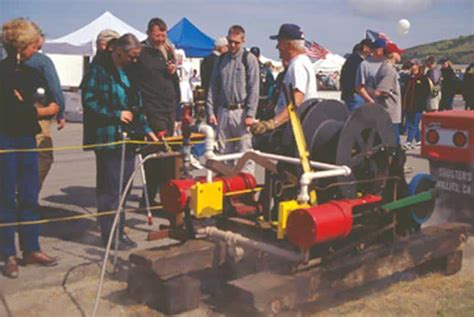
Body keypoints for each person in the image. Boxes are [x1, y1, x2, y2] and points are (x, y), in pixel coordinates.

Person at [82, 33, 158, 250]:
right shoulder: (98, 70)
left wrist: (146, 128)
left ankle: (119, 230)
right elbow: (89, 101)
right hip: (109, 137)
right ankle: (109, 234)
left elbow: (137, 105)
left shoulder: (131, 72)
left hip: (128, 139)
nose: (134, 60)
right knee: (110, 190)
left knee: (124, 188)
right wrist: (115, 113)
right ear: (119, 51)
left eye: (136, 57)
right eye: (131, 56)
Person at [0, 18, 60, 278]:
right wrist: (36, 109)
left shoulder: (32, 71)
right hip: (5, 138)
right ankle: (7, 254)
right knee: (5, 197)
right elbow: (11, 109)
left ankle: (31, 248)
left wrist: (31, 107)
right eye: (32, 45)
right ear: (19, 45)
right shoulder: (2, 73)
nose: (36, 49)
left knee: (29, 193)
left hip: (27, 137)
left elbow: (48, 98)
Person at [129, 17, 180, 206]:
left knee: (169, 155)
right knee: (155, 154)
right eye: (157, 35)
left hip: (168, 108)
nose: (161, 38)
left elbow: (174, 83)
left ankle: (164, 195)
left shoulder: (168, 50)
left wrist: (173, 70)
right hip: (152, 108)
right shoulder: (141, 52)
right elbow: (134, 80)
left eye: (164, 35)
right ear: (149, 33)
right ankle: (149, 198)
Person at [206, 25, 259, 173]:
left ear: (243, 41)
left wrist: (250, 114)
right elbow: (213, 86)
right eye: (230, 42)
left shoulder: (248, 59)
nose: (233, 45)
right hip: (223, 111)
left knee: (245, 153)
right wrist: (210, 111)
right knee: (223, 153)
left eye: (236, 42)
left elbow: (254, 88)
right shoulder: (221, 59)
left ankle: (247, 190)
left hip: (241, 112)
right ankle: (226, 189)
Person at [250, 23, 317, 135]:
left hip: (294, 130)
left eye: (279, 42)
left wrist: (273, 123)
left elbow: (297, 102)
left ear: (288, 44)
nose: (277, 47)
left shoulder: (297, 65)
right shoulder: (302, 62)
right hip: (296, 127)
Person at [26, 23, 66, 189]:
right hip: (38, 113)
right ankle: (28, 195)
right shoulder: (42, 61)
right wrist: (61, 112)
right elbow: (55, 87)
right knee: (44, 156)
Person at [373, 42, 404, 145]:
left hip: (387, 113)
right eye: (398, 53)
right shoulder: (389, 71)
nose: (400, 55)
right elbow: (381, 91)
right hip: (390, 114)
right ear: (393, 54)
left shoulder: (385, 68)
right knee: (393, 145)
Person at [401, 59, 430, 150]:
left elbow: (426, 92)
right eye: (411, 65)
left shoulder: (423, 78)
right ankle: (419, 141)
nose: (412, 67)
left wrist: (421, 103)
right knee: (412, 124)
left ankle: (408, 142)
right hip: (408, 105)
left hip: (418, 106)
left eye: (413, 65)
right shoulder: (409, 78)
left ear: (418, 66)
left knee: (413, 124)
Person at [340, 38, 373, 110]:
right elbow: (351, 79)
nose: (372, 51)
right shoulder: (355, 60)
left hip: (355, 95)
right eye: (371, 48)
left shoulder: (357, 59)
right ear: (365, 48)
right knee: (356, 118)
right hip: (354, 95)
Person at [355, 38, 386, 103]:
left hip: (388, 106)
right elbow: (359, 87)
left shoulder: (387, 63)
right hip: (372, 105)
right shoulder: (364, 64)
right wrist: (370, 101)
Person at [250, 46, 275, 120]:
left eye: (256, 56)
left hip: (262, 100)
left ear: (259, 56)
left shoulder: (265, 69)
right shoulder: (245, 68)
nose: (254, 58)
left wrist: (269, 98)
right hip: (249, 101)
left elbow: (271, 84)